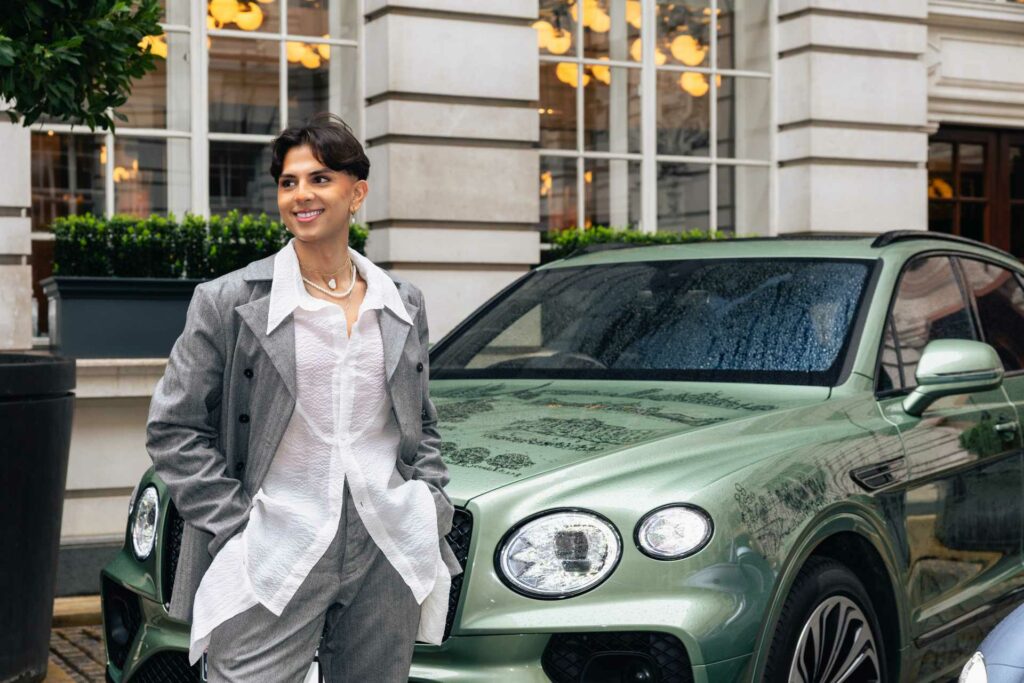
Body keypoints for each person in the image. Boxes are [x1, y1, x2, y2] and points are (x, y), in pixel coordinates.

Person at [146, 113, 460, 682]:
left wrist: (429, 500)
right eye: (289, 183)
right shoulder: (228, 301)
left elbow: (421, 422)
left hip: (384, 538)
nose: (300, 196)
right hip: (275, 535)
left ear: (356, 192)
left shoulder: (402, 303)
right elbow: (173, 428)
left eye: (319, 179)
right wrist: (235, 525)